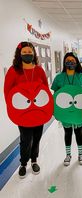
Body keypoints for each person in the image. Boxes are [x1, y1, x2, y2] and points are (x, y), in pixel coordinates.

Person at [4, 41, 49, 178]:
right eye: (25, 52)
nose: (28, 54)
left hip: (38, 112)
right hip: (23, 113)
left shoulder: (39, 70)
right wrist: (14, 111)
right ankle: (23, 163)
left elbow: (45, 89)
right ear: (19, 54)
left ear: (34, 53)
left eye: (30, 52)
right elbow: (8, 92)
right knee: (25, 139)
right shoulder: (14, 70)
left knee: (36, 137)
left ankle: (34, 160)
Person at [51, 52, 82, 166]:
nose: (70, 62)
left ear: (76, 62)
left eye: (72, 60)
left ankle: (80, 154)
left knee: (78, 132)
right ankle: (68, 155)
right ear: (64, 62)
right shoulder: (59, 77)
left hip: (78, 111)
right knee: (67, 133)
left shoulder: (81, 77)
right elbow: (55, 95)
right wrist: (56, 112)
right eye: (68, 60)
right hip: (65, 112)